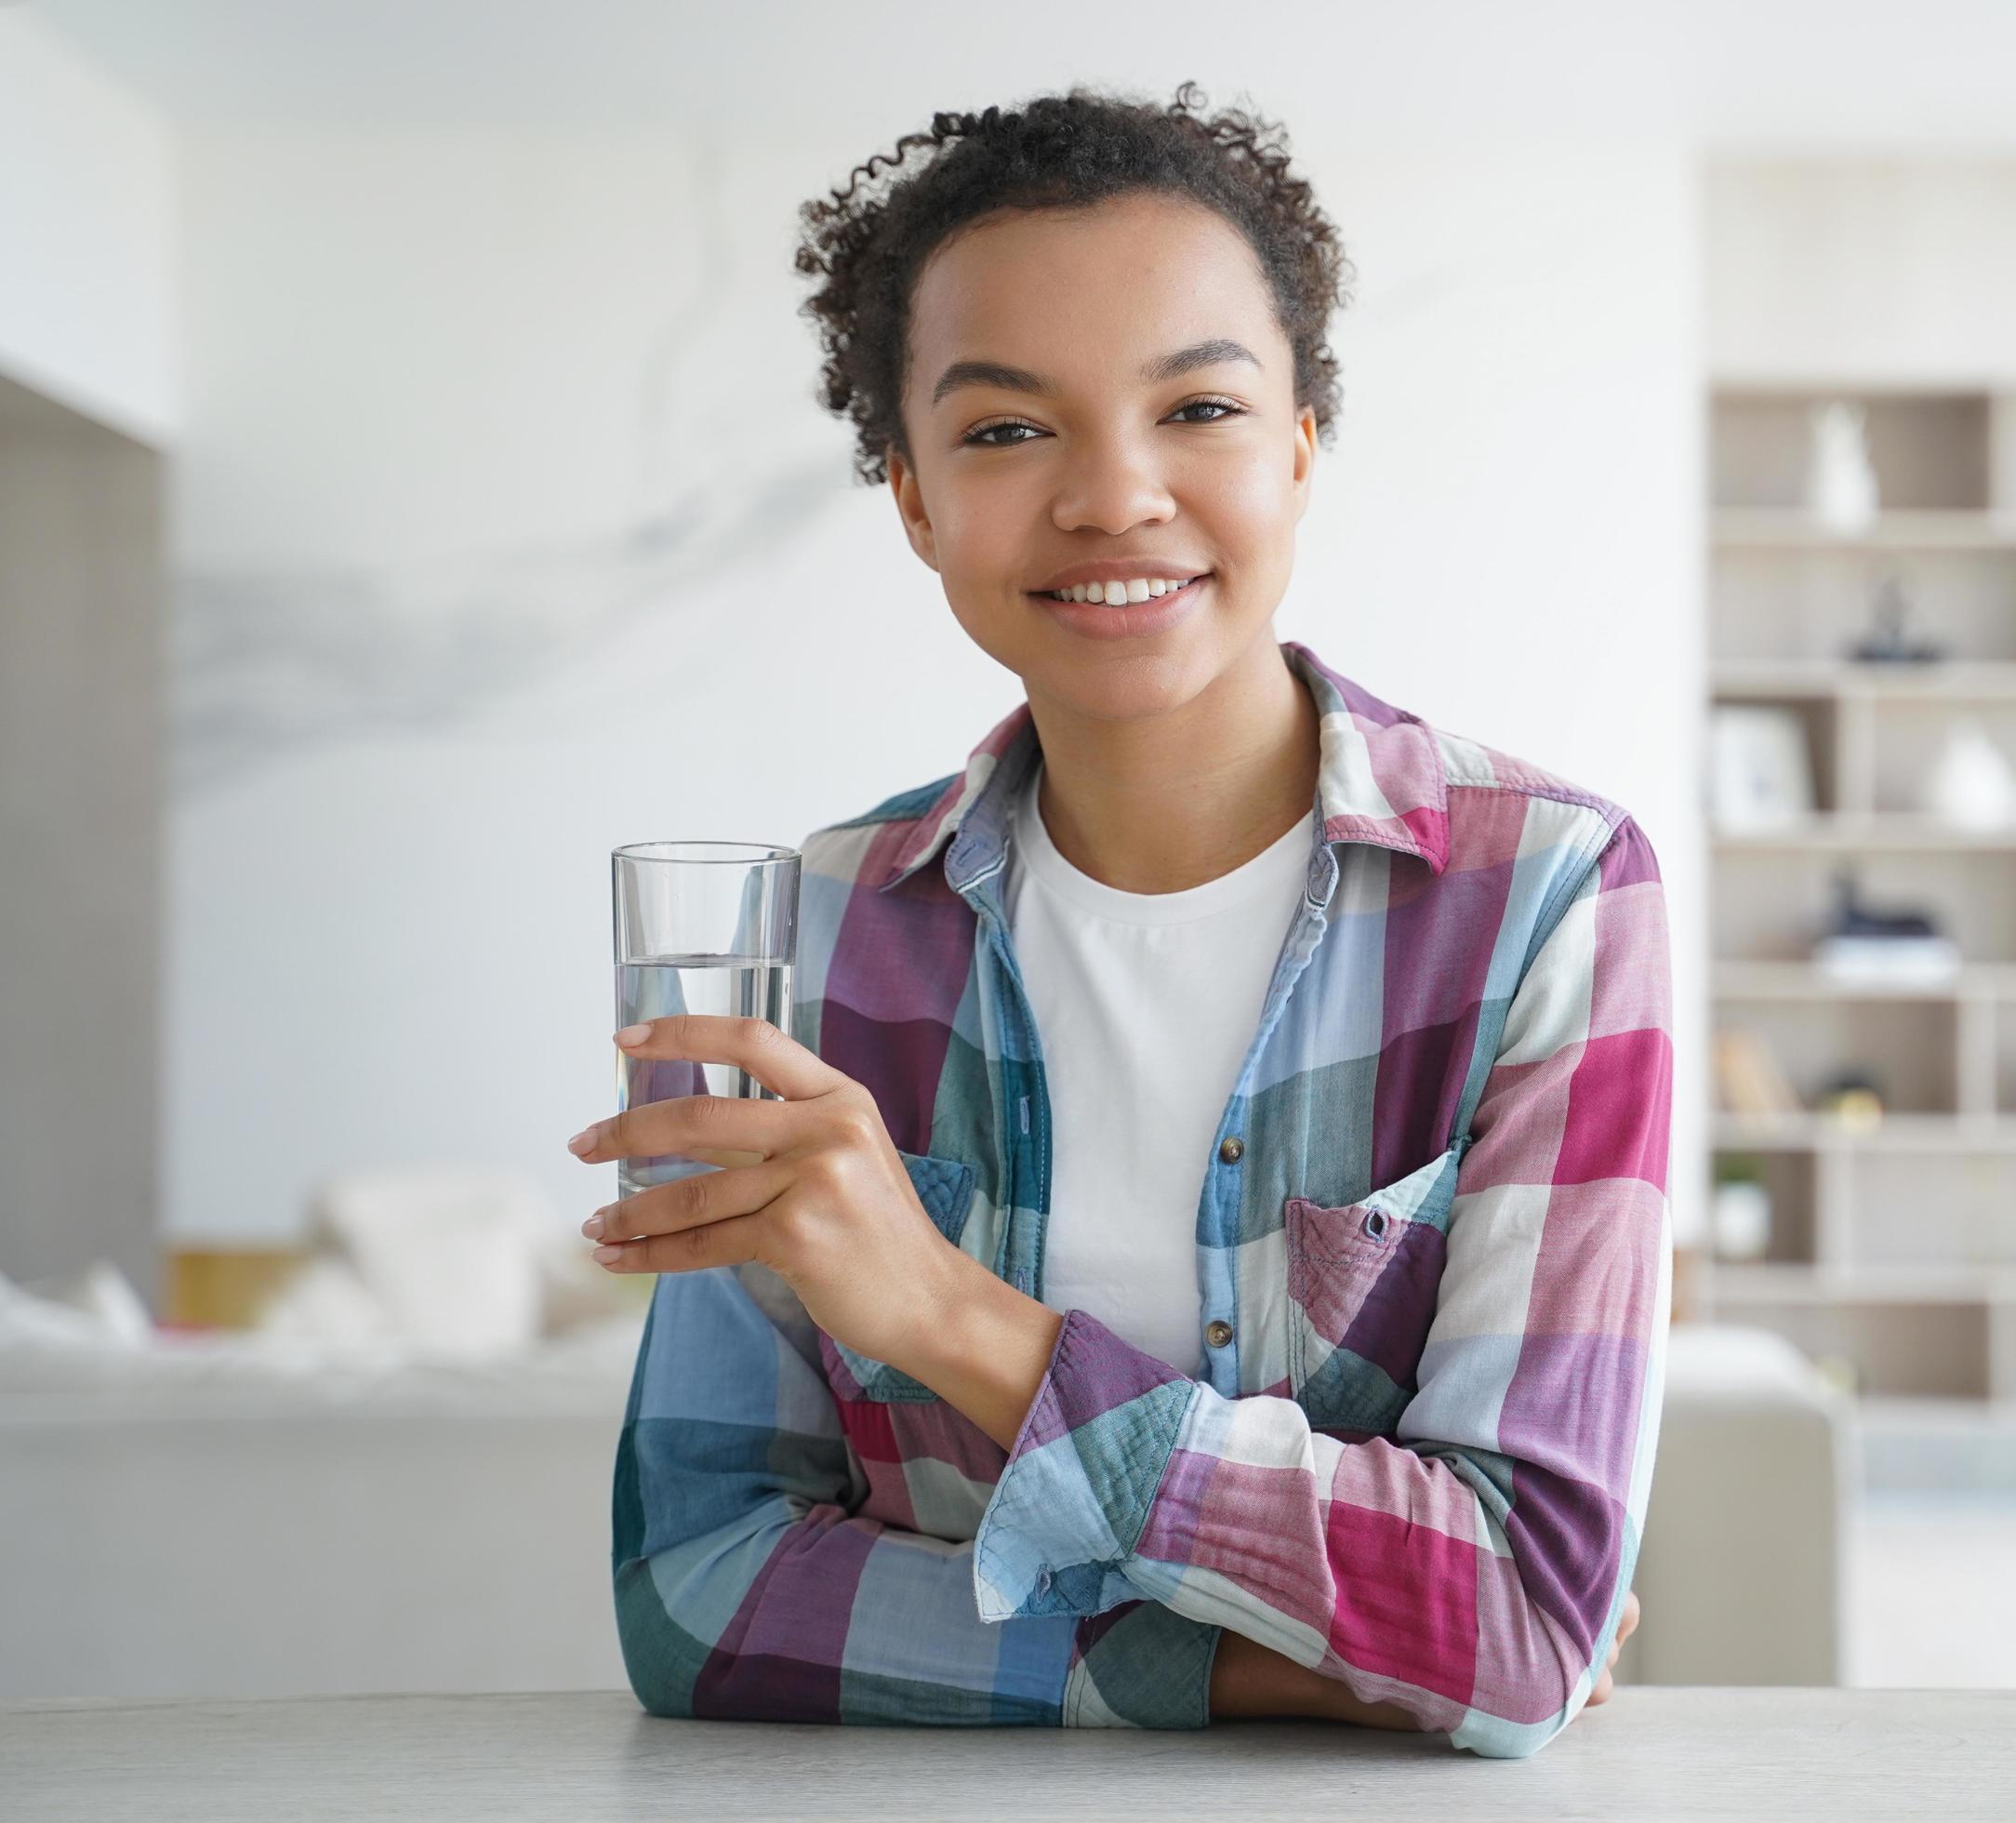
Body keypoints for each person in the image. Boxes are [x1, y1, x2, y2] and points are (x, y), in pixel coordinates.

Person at [579, 81, 1673, 1761]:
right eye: (1009, 430)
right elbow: (699, 1587)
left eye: (1200, 410)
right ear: (915, 498)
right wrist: (1266, 1668)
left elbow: (1520, 1609)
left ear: (1299, 446)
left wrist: (951, 1320)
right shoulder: (812, 928)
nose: (1114, 497)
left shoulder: (1547, 898)